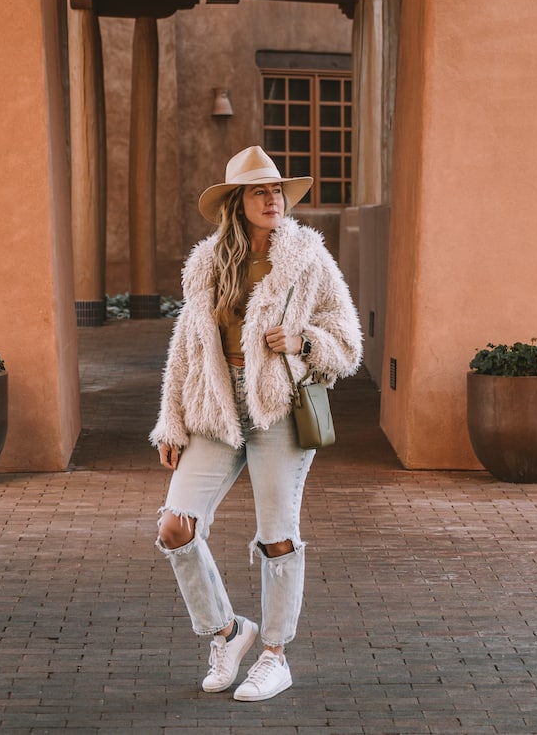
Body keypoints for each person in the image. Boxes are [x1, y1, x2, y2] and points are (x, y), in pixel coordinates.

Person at [150, 145, 362, 702]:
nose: (272, 200)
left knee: (277, 537)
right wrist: (170, 423)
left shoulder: (308, 258)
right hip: (215, 410)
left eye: (277, 192)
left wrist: (303, 341)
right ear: (236, 203)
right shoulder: (207, 263)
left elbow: (348, 344)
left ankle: (274, 654)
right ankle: (227, 631)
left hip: (280, 411)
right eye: (259, 192)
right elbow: (185, 350)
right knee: (175, 526)